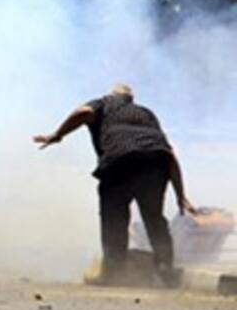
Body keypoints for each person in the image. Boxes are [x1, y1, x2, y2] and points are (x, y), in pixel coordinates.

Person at [33, 84, 196, 286]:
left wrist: (57, 135)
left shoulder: (104, 104)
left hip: (120, 161)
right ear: (131, 99)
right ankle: (166, 270)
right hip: (156, 163)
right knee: (154, 219)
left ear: (113, 95)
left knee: (114, 219)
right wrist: (180, 194)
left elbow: (83, 112)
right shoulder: (146, 113)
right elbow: (167, 154)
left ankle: (113, 272)